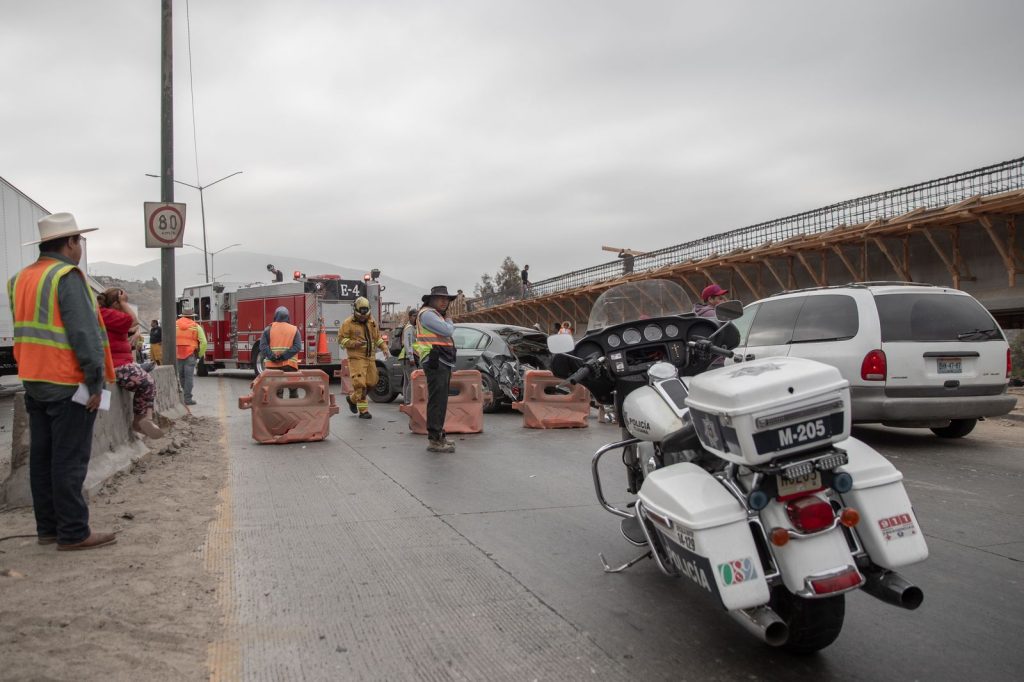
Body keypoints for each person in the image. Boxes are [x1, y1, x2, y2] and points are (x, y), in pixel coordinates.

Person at [9, 212, 117, 550]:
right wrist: (96, 383)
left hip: (33, 378)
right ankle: (73, 532)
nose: (80, 248)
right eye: (79, 241)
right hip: (67, 380)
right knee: (69, 459)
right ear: (70, 242)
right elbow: (84, 334)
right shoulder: (66, 276)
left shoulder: (20, 278)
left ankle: (49, 529)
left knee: (42, 459)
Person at [97, 288, 164, 439]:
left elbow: (132, 326)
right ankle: (141, 420)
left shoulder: (108, 315)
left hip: (122, 361)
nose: (124, 305)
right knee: (147, 383)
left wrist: (137, 333)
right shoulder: (106, 314)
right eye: (122, 302)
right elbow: (133, 320)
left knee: (147, 373)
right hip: (115, 364)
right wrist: (124, 303)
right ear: (115, 303)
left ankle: (147, 418)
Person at [413, 286, 458, 453]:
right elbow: (448, 330)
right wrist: (449, 320)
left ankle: (439, 434)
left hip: (441, 360)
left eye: (447, 299)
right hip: (435, 360)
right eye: (441, 298)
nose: (445, 301)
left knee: (440, 400)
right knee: (437, 401)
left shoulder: (436, 315)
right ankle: (435, 439)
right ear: (431, 300)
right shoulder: (428, 314)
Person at [338, 296, 388, 419]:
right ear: (355, 311)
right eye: (360, 314)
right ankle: (363, 411)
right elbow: (341, 340)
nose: (363, 317)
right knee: (360, 385)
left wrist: (384, 348)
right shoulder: (348, 323)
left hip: (370, 357)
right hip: (356, 358)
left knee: (372, 382)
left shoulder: (372, 322)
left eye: (365, 315)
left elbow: (377, 338)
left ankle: (352, 399)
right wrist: (353, 343)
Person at [259, 306, 302, 398]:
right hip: (290, 366)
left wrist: (273, 357)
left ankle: (277, 411)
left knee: (276, 392)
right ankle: (293, 410)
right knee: (293, 391)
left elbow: (262, 346)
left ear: (275, 316)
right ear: (288, 317)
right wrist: (283, 357)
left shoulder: (268, 329)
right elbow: (297, 347)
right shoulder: (294, 329)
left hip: (273, 366)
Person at [175, 305, 207, 406]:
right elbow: (204, 342)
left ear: (182, 316)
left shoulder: (174, 325)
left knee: (182, 376)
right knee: (189, 377)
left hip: (178, 354)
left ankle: (185, 395)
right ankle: (187, 399)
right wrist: (200, 355)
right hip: (190, 354)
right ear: (192, 316)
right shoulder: (196, 326)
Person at [398, 308, 419, 405]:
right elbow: (408, 343)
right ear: (410, 317)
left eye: (417, 316)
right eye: (414, 316)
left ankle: (406, 401)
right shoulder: (409, 328)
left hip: (405, 357)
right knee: (412, 380)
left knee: (407, 381)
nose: (416, 318)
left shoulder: (412, 327)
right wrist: (411, 358)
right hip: (407, 357)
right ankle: (409, 401)